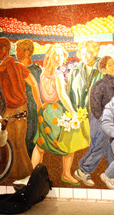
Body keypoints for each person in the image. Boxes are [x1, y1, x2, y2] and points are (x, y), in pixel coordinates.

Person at [30, 44, 88, 186]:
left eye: (62, 55)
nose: (59, 58)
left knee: (40, 145)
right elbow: (62, 95)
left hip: (45, 112)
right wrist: (73, 112)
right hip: (56, 111)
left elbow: (38, 92)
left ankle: (33, 175)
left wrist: (40, 105)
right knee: (69, 142)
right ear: (49, 56)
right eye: (56, 54)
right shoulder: (58, 75)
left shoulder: (43, 72)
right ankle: (66, 174)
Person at [0, 37, 42, 180]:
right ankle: (28, 175)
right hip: (23, 110)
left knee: (11, 146)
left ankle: (14, 175)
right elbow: (33, 83)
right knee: (21, 145)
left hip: (8, 113)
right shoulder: (19, 67)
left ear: (4, 50)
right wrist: (38, 103)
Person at [74, 56, 114, 186]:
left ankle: (109, 176)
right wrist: (101, 117)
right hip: (100, 121)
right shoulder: (100, 84)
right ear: (103, 69)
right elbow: (94, 104)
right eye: (110, 65)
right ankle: (82, 171)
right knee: (98, 147)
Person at [15, 39, 42, 157]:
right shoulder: (19, 68)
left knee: (29, 135)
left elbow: (36, 90)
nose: (16, 53)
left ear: (26, 53)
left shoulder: (34, 70)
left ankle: (30, 164)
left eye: (18, 50)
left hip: (31, 107)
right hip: (23, 107)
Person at [67, 40, 102, 116]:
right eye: (82, 54)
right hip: (79, 116)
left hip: (97, 116)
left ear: (94, 53)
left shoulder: (102, 70)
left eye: (88, 53)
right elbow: (69, 94)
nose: (85, 57)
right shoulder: (75, 72)